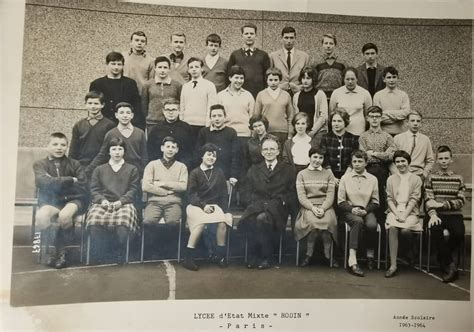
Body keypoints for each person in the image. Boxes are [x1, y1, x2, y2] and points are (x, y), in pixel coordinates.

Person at [239, 136, 296, 269]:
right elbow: (245, 190)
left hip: (278, 207)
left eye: (272, 149)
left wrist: (282, 201)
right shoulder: (254, 169)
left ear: (278, 151)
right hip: (257, 205)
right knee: (250, 219)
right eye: (266, 149)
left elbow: (292, 193)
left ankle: (266, 256)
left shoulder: (288, 170)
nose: (269, 152)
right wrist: (253, 201)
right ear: (262, 152)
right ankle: (255, 255)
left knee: (262, 218)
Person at [33, 132, 88, 268]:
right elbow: (42, 182)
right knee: (41, 216)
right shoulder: (40, 164)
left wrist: (53, 181)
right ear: (48, 146)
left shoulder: (75, 164)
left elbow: (82, 183)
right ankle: (52, 251)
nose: (59, 148)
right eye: (55, 144)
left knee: (64, 216)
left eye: (63, 145)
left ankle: (63, 252)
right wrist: (70, 179)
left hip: (72, 200)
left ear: (67, 147)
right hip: (51, 200)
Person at [86, 137, 140, 264]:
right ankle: (100, 253)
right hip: (102, 203)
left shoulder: (132, 169)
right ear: (109, 152)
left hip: (124, 203)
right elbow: (94, 189)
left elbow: (133, 190)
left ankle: (119, 253)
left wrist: (121, 201)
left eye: (120, 149)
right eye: (114, 149)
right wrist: (102, 200)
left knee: (123, 223)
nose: (117, 152)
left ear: (124, 151)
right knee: (94, 222)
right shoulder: (99, 169)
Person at [183, 143, 233, 271]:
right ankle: (188, 258)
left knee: (222, 222)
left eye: (214, 156)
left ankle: (220, 256)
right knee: (200, 224)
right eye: (209, 155)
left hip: (214, 206)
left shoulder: (219, 172)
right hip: (196, 205)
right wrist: (203, 205)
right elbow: (191, 194)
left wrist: (225, 211)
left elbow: (223, 193)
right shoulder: (195, 173)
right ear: (202, 156)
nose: (211, 158)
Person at [425, 145, 466, 283]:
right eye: (440, 158)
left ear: (451, 160)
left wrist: (442, 204)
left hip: (454, 214)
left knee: (459, 234)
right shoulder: (431, 178)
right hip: (437, 214)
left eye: (446, 158)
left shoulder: (458, 178)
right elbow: (428, 200)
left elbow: (461, 200)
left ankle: (443, 258)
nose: (443, 161)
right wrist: (433, 213)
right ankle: (452, 266)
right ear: (436, 160)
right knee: (436, 231)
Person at [294, 147, 338, 268]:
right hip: (308, 207)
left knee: (328, 222)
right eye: (315, 157)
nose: (317, 160)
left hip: (326, 206)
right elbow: (302, 196)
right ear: (310, 157)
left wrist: (323, 208)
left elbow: (330, 195)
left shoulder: (328, 174)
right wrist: (313, 208)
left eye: (320, 157)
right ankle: (309, 254)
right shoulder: (301, 174)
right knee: (312, 223)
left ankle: (328, 254)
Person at [338, 150, 379, 276]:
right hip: (350, 210)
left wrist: (366, 210)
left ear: (366, 163)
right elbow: (340, 201)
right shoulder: (345, 178)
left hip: (366, 209)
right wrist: (352, 209)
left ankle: (370, 255)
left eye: (360, 161)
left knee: (372, 224)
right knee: (357, 221)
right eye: (354, 161)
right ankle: (352, 259)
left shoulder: (373, 179)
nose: (357, 164)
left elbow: (376, 202)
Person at [385, 150, 423, 278]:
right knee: (393, 228)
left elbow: (414, 199)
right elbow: (389, 198)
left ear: (408, 162)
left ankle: (410, 251)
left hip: (410, 213)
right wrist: (396, 213)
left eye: (403, 161)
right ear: (395, 164)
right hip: (395, 211)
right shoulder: (391, 179)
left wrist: (404, 215)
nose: (400, 164)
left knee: (406, 230)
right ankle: (393, 265)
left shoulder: (416, 179)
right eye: (397, 162)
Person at [85, 102, 147, 178]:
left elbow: (144, 156)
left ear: (132, 115)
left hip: (136, 172)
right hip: (117, 171)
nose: (125, 116)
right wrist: (87, 171)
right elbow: (102, 155)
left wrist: (144, 175)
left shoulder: (140, 133)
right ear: (116, 115)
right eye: (121, 113)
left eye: (128, 113)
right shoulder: (110, 134)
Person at [217, 65, 255, 178]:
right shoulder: (221, 95)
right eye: (236, 78)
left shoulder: (248, 95)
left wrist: (252, 134)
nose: (239, 81)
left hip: (244, 135)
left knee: (243, 166)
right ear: (230, 78)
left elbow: (253, 116)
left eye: (241, 78)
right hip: (227, 135)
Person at [89, 51, 143, 129]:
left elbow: (136, 106)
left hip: (124, 124)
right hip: (102, 125)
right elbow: (92, 106)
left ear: (123, 65)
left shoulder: (130, 84)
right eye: (113, 64)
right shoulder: (97, 84)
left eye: (119, 64)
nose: (116, 67)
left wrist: (135, 124)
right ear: (107, 65)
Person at [359, 105, 396, 219]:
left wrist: (374, 153)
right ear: (367, 118)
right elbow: (363, 157)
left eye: (377, 116)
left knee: (381, 197)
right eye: (371, 116)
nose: (374, 119)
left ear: (381, 118)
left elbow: (391, 156)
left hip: (382, 170)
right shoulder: (363, 137)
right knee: (368, 196)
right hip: (368, 169)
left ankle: (381, 221)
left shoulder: (388, 137)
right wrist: (382, 155)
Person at [142, 136, 188, 226]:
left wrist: (162, 183)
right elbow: (146, 186)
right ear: (162, 148)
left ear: (177, 150)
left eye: (173, 147)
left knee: (172, 222)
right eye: (168, 147)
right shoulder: (152, 165)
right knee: (148, 221)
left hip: (174, 202)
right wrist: (166, 192)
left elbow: (183, 186)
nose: (170, 150)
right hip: (154, 202)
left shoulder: (182, 167)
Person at [69, 91, 115, 167]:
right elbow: (73, 150)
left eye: (96, 103)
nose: (93, 106)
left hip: (102, 166)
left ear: (102, 105)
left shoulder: (110, 125)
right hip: (81, 165)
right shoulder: (79, 125)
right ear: (85, 105)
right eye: (90, 103)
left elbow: (109, 149)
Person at [196, 104, 239, 185]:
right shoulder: (204, 132)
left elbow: (235, 155)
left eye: (220, 115)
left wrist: (233, 175)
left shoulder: (231, 132)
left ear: (225, 117)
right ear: (210, 118)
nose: (217, 119)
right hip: (207, 174)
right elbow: (199, 153)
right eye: (214, 116)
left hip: (226, 173)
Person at [227, 23, 271, 98]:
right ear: (242, 36)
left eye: (252, 33)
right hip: (239, 94)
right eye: (246, 33)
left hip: (258, 94)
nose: (249, 36)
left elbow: (267, 76)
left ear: (256, 36)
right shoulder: (235, 55)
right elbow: (229, 76)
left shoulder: (263, 55)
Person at [147, 98, 194, 169]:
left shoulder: (187, 128)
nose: (170, 112)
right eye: (168, 110)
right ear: (163, 111)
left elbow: (192, 151)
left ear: (179, 111)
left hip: (182, 167)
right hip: (160, 167)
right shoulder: (156, 129)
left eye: (174, 110)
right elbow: (151, 151)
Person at [253, 67, 294, 146]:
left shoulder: (286, 95)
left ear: (279, 80)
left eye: (276, 80)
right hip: (265, 131)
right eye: (270, 80)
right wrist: (256, 133)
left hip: (283, 132)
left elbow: (290, 116)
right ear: (267, 80)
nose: (273, 83)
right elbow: (256, 115)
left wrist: (290, 133)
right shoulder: (261, 94)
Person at [180, 57, 218, 141]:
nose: (194, 70)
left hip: (202, 125)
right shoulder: (185, 86)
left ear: (202, 69)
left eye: (196, 67)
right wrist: (181, 123)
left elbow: (212, 107)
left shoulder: (209, 85)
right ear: (188, 70)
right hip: (187, 124)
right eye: (191, 67)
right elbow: (182, 107)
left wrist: (208, 125)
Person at [141, 56, 182, 134]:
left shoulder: (177, 85)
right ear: (155, 69)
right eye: (160, 67)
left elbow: (180, 104)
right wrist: (149, 117)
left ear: (169, 69)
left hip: (171, 122)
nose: (162, 70)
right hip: (152, 122)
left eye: (165, 67)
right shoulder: (147, 84)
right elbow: (144, 105)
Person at [318, 108, 359, 181]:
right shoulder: (326, 137)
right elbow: (324, 159)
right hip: (329, 175)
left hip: (348, 175)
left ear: (345, 122)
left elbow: (353, 159)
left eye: (339, 121)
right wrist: (332, 177)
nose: (336, 124)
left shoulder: (353, 138)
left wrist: (345, 177)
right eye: (334, 121)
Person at [329, 67, 372, 136]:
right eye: (347, 79)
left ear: (357, 79)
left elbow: (368, 116)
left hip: (358, 133)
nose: (350, 82)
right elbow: (331, 113)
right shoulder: (336, 93)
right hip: (340, 133)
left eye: (352, 79)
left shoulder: (365, 93)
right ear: (343, 79)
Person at [269, 26, 311, 95]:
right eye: (286, 38)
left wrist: (299, 87)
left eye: (291, 38)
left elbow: (308, 77)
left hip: (299, 93)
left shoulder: (305, 56)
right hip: (279, 93)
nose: (289, 41)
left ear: (295, 39)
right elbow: (269, 76)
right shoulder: (273, 56)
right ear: (281, 38)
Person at [292, 66, 328, 145]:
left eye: (308, 78)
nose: (305, 81)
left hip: (316, 132)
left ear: (313, 79)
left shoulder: (320, 94)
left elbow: (323, 116)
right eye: (303, 78)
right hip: (301, 131)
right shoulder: (296, 96)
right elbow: (296, 115)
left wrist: (312, 132)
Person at [393, 111, 434, 181]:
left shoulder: (425, 139)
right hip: (401, 173)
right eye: (412, 121)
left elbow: (430, 160)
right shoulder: (398, 138)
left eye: (418, 121)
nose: (415, 123)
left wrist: (424, 175)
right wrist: (396, 174)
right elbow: (392, 159)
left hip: (418, 175)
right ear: (407, 123)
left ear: (421, 124)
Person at [373, 66, 411, 136]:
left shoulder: (403, 95)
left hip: (400, 134)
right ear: (384, 79)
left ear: (398, 79)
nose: (391, 80)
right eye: (389, 77)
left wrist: (386, 112)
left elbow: (406, 113)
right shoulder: (377, 95)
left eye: (394, 77)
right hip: (383, 134)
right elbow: (378, 116)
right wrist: (398, 117)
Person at [122, 31, 155, 97]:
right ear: (131, 42)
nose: (139, 43)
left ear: (145, 44)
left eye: (142, 41)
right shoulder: (123, 57)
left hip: (141, 95)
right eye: (136, 40)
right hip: (124, 93)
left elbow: (151, 81)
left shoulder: (151, 60)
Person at [313, 33, 345, 100]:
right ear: (322, 45)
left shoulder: (342, 62)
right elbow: (312, 80)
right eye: (326, 43)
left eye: (331, 43)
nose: (328, 46)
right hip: (320, 97)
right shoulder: (316, 62)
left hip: (338, 96)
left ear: (335, 45)